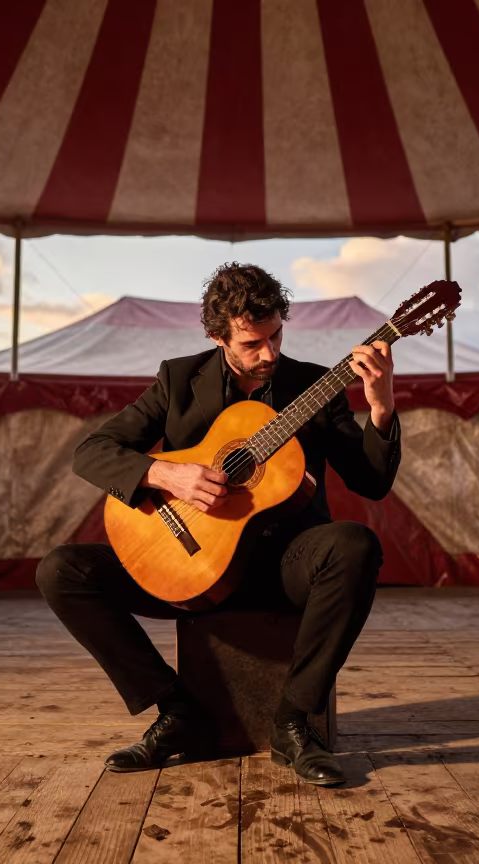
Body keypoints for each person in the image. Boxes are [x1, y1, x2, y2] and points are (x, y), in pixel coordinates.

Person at [36, 262, 400, 786]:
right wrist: (167, 474)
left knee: (355, 545)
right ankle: (177, 714)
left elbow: (371, 481)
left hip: (284, 565)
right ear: (216, 336)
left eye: (276, 335)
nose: (270, 353)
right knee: (61, 570)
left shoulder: (315, 385)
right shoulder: (178, 379)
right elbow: (92, 453)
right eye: (252, 344)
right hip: (189, 559)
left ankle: (295, 722)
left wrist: (382, 409)